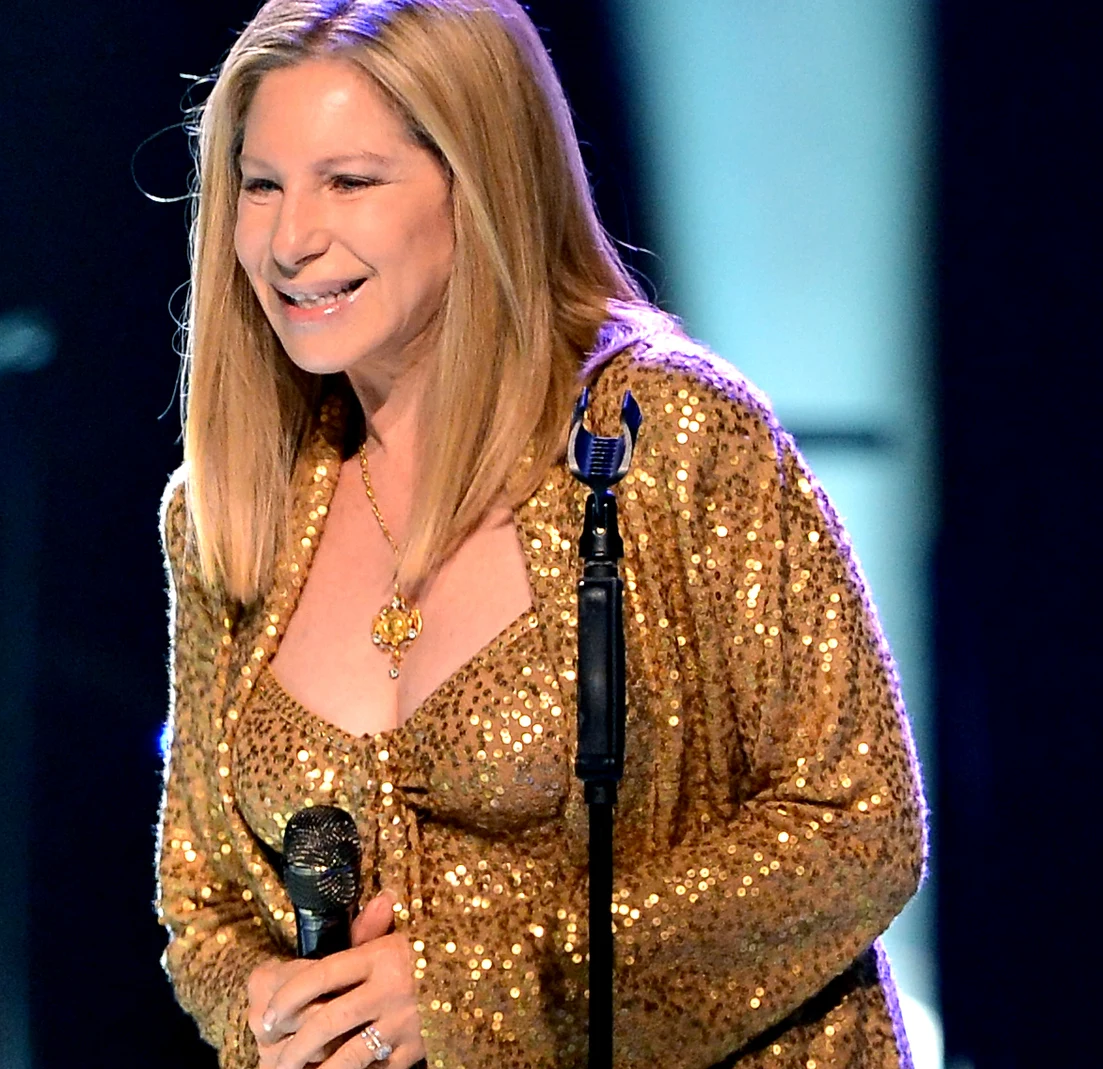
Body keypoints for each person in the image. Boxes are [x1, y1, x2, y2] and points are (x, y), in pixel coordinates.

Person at [154, 2, 927, 1067]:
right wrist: (282, 1013)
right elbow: (202, 905)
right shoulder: (233, 505)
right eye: (261, 185)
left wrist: (483, 985)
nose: (290, 241)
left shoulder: (667, 439)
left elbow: (857, 825)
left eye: (350, 182)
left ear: (479, 183)